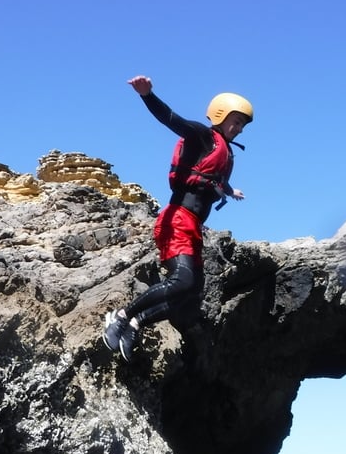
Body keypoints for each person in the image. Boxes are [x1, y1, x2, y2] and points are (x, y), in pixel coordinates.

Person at [103, 75, 253, 361]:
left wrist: (230, 190)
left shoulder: (223, 150)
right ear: (220, 115)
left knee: (191, 296)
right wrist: (147, 95)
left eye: (242, 126)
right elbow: (172, 119)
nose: (239, 129)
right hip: (177, 220)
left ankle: (136, 322)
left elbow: (211, 180)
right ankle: (121, 316)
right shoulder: (203, 136)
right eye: (236, 122)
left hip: (194, 226)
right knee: (182, 281)